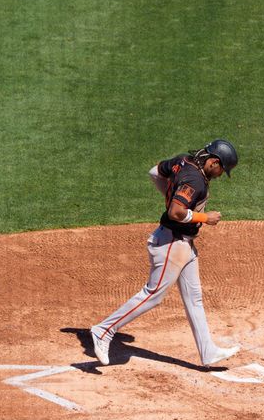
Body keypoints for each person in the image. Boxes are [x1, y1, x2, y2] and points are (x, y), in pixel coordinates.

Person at [90, 139, 240, 368]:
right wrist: (204, 218)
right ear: (213, 162)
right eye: (221, 169)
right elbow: (176, 212)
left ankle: (207, 352)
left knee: (194, 298)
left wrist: (171, 198)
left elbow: (155, 172)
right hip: (171, 243)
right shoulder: (195, 179)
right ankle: (104, 330)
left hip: (184, 244)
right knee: (154, 294)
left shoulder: (183, 161)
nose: (220, 175)